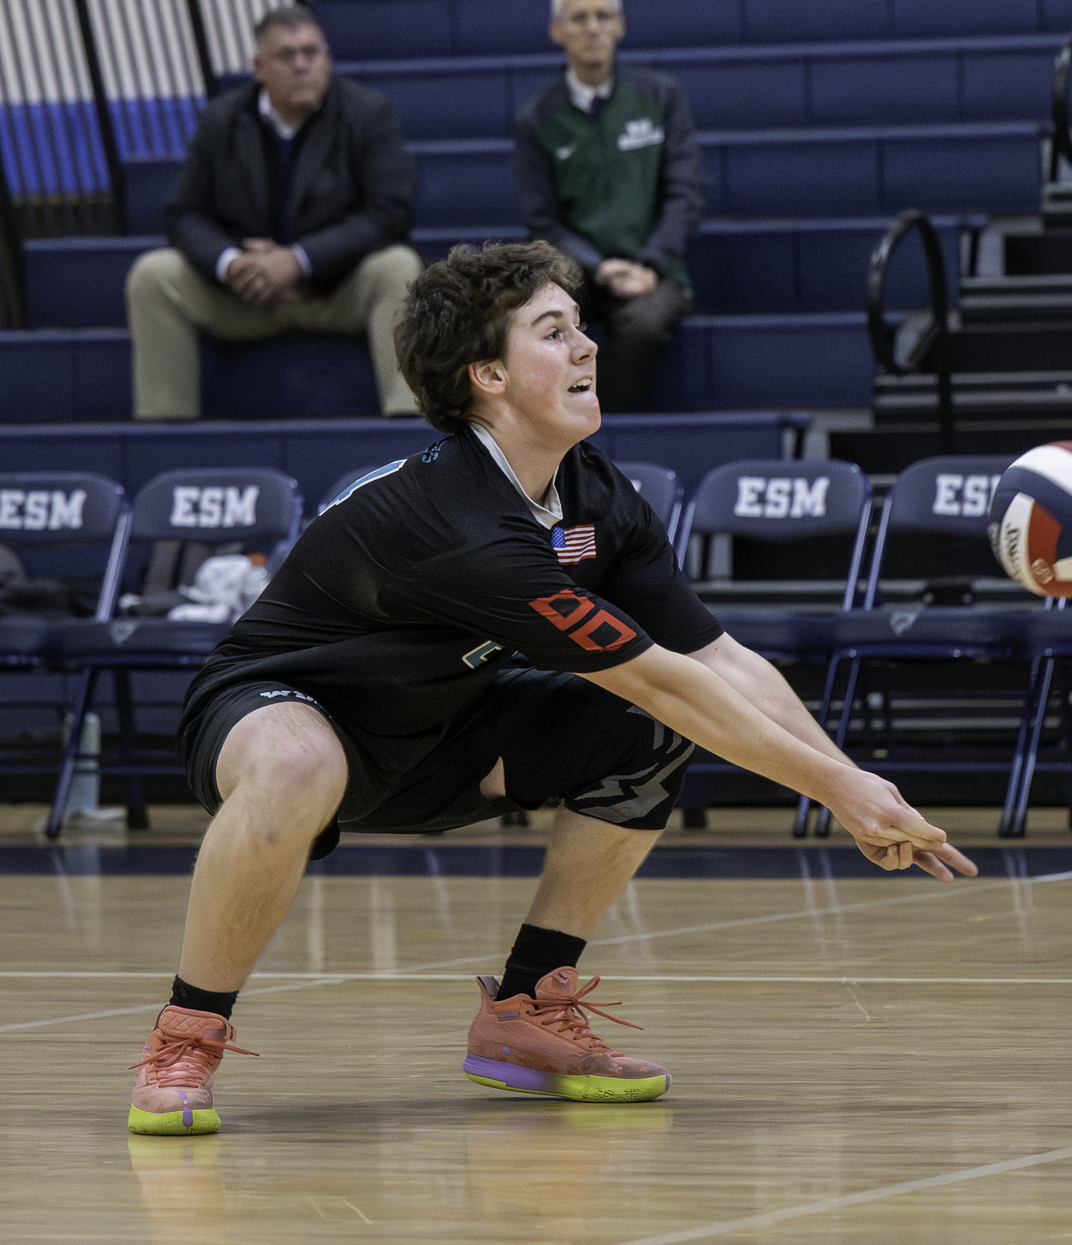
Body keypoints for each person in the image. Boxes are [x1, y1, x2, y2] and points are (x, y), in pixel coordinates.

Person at [126, 241, 977, 1134]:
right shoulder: (461, 523)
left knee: (638, 732)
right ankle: (188, 1032)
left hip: (443, 733)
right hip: (275, 712)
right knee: (305, 761)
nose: (587, 347)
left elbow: (718, 661)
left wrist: (859, 784)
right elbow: (666, 680)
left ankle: (524, 1013)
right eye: (553, 332)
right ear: (487, 373)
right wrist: (838, 793)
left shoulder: (595, 495)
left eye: (580, 327)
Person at [127, 5, 421, 420]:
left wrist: (298, 260)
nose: (302, 66)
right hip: (244, 295)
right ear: (259, 67)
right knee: (153, 275)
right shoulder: (222, 120)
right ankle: (165, 431)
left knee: (398, 266)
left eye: (312, 53)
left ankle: (408, 424)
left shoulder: (366, 113)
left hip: (332, 289)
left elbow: (389, 212)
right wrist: (231, 264)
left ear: (327, 58)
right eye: (287, 56)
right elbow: (184, 213)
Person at [513, 0, 704, 412]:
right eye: (579, 18)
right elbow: (542, 220)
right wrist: (601, 268)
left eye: (603, 16)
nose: (593, 27)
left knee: (645, 325)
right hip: (578, 269)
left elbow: (687, 193)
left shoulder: (661, 97)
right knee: (533, 318)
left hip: (655, 268)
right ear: (557, 32)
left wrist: (651, 264)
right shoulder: (537, 117)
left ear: (620, 26)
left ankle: (593, 424)